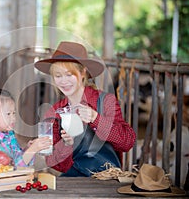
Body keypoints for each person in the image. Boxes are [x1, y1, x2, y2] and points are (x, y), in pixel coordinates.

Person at [34, 41, 136, 176]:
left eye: (69, 75)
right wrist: (65, 145)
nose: (63, 81)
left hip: (106, 176)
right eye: (58, 76)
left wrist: (96, 119)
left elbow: (127, 142)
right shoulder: (54, 112)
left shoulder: (105, 101)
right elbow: (55, 163)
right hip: (75, 177)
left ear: (83, 72)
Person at [0, 88, 52, 167]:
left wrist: (27, 149)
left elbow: (14, 160)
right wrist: (33, 149)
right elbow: (9, 169)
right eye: (8, 114)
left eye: (14, 113)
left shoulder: (8, 134)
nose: (13, 118)